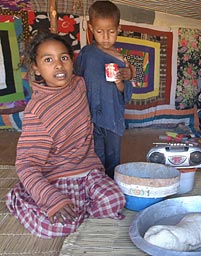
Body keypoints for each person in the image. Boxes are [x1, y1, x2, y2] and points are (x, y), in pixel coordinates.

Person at [5, 32, 126, 238]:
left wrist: (127, 75)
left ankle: (77, 212)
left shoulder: (80, 85)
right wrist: (53, 200)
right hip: (56, 177)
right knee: (55, 227)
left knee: (116, 199)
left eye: (64, 57)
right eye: (48, 60)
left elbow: (105, 67)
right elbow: (26, 163)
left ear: (72, 61)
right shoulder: (37, 110)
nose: (58, 65)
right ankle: (21, 199)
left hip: (88, 171)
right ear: (36, 68)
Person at [74, 1, 135, 179]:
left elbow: (127, 92)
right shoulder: (86, 54)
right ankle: (97, 185)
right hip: (90, 116)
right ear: (91, 28)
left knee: (113, 156)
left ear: (119, 28)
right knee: (95, 155)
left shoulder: (123, 59)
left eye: (111, 31)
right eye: (100, 31)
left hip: (112, 115)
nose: (106, 37)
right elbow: (76, 80)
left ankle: (112, 187)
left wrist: (120, 82)